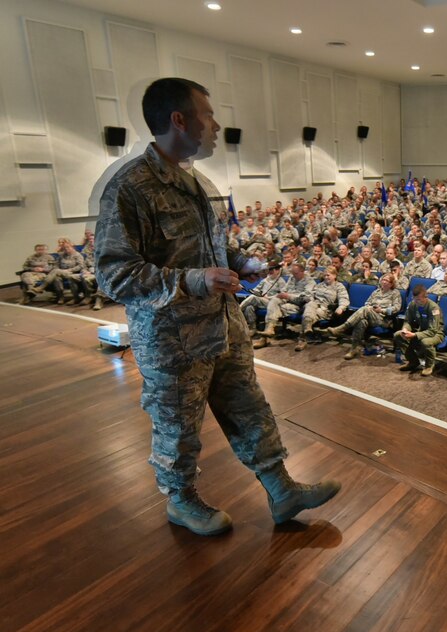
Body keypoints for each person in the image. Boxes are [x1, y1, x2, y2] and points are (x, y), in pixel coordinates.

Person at [94, 77, 339, 536]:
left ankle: (281, 490)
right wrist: (196, 280)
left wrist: (240, 262)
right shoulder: (131, 188)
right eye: (208, 115)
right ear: (179, 119)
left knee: (251, 410)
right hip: (172, 343)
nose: (215, 125)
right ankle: (181, 501)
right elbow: (114, 275)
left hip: (223, 327)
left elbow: (208, 250)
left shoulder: (194, 181)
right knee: (178, 429)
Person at [328, 272, 403, 360]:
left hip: (383, 319)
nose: (384, 281)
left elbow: (397, 308)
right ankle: (354, 348)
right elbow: (367, 303)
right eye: (383, 279)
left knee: (365, 309)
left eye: (387, 280)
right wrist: (372, 308)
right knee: (362, 321)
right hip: (371, 315)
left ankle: (342, 328)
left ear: (391, 284)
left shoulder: (395, 293)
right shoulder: (376, 292)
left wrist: (382, 310)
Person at [394, 284, 444, 375]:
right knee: (398, 335)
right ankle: (413, 361)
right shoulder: (413, 304)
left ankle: (429, 366)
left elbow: (433, 330)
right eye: (414, 299)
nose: (416, 302)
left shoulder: (433, 308)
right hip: (421, 330)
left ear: (426, 297)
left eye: (419, 300)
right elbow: (407, 320)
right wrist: (405, 329)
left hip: (437, 333)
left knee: (425, 342)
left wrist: (414, 335)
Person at [239, 260, 286, 334]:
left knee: (253, 298)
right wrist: (260, 295)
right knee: (249, 307)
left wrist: (268, 297)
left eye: (272, 270)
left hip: (272, 303)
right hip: (262, 300)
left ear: (277, 270)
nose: (270, 272)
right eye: (269, 270)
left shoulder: (281, 282)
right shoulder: (265, 280)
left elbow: (282, 296)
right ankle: (253, 328)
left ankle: (239, 309)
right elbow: (255, 290)